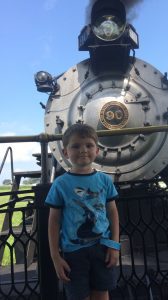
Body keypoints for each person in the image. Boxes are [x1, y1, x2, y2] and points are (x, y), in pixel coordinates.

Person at [45, 123, 120, 300]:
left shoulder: (104, 180)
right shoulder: (60, 184)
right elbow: (53, 221)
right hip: (74, 253)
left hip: (102, 248)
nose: (83, 150)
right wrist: (55, 256)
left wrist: (114, 245)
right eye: (76, 146)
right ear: (65, 152)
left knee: (102, 293)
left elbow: (113, 212)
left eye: (89, 145)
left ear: (97, 150)